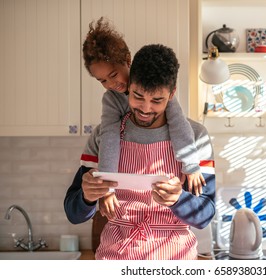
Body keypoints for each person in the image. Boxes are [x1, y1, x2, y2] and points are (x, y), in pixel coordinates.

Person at [64, 44, 216, 260]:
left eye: (157, 100)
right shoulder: (104, 137)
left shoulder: (195, 138)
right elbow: (73, 213)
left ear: (171, 94)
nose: (145, 109)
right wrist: (87, 197)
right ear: (128, 88)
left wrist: (178, 199)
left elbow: (205, 216)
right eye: (137, 96)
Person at [82, 17, 205, 219]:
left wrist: (190, 166)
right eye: (102, 80)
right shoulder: (111, 100)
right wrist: (107, 187)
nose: (111, 84)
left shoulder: (159, 86)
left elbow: (179, 124)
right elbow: (110, 137)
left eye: (113, 75)